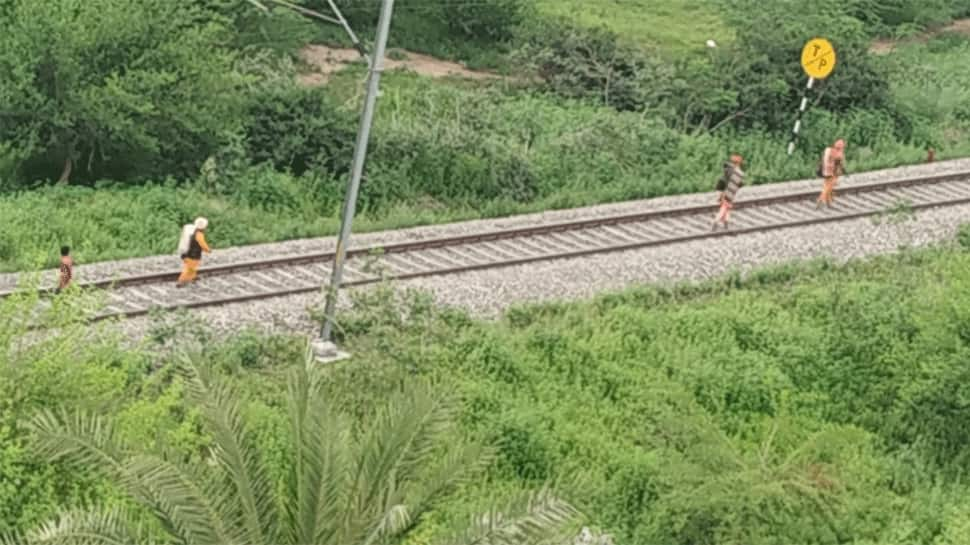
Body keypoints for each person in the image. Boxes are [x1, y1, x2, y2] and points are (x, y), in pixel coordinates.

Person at [712, 154, 745, 230]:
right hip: (728, 193)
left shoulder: (728, 170)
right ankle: (716, 221)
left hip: (723, 191)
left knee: (727, 208)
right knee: (724, 207)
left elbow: (722, 181)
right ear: (737, 163)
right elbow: (737, 182)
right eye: (739, 163)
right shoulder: (734, 172)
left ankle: (726, 223)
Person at [176, 217, 211, 288]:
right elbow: (202, 244)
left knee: (193, 267)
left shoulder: (194, 231)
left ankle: (193, 277)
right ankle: (181, 281)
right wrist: (208, 250)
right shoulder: (199, 235)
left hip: (188, 254)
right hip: (192, 255)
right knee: (190, 268)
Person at [816, 139, 846, 208]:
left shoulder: (828, 150)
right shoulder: (839, 154)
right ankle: (820, 200)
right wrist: (842, 170)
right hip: (832, 172)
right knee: (828, 187)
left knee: (827, 185)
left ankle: (828, 203)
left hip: (825, 170)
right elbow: (839, 164)